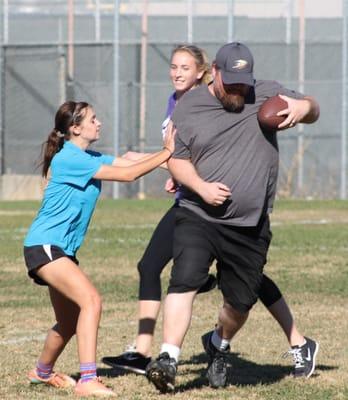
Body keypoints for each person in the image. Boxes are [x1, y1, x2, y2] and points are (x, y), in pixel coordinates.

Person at [102, 44, 317, 379]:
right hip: (197, 212)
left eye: (242, 82)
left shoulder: (265, 92)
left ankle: (221, 341)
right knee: (182, 279)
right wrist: (199, 186)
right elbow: (176, 157)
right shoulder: (188, 106)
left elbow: (314, 108)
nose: (236, 89)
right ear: (215, 71)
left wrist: (304, 106)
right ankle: (166, 357)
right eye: (230, 81)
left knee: (241, 300)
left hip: (249, 223)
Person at [23, 100, 175, 397]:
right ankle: (88, 380)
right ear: (75, 128)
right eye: (93, 119)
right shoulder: (70, 159)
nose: (99, 123)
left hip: (58, 249)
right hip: (45, 245)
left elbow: (129, 163)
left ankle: (41, 372)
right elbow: (129, 175)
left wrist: (174, 160)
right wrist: (167, 152)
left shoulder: (87, 155)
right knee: (91, 301)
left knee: (68, 321)